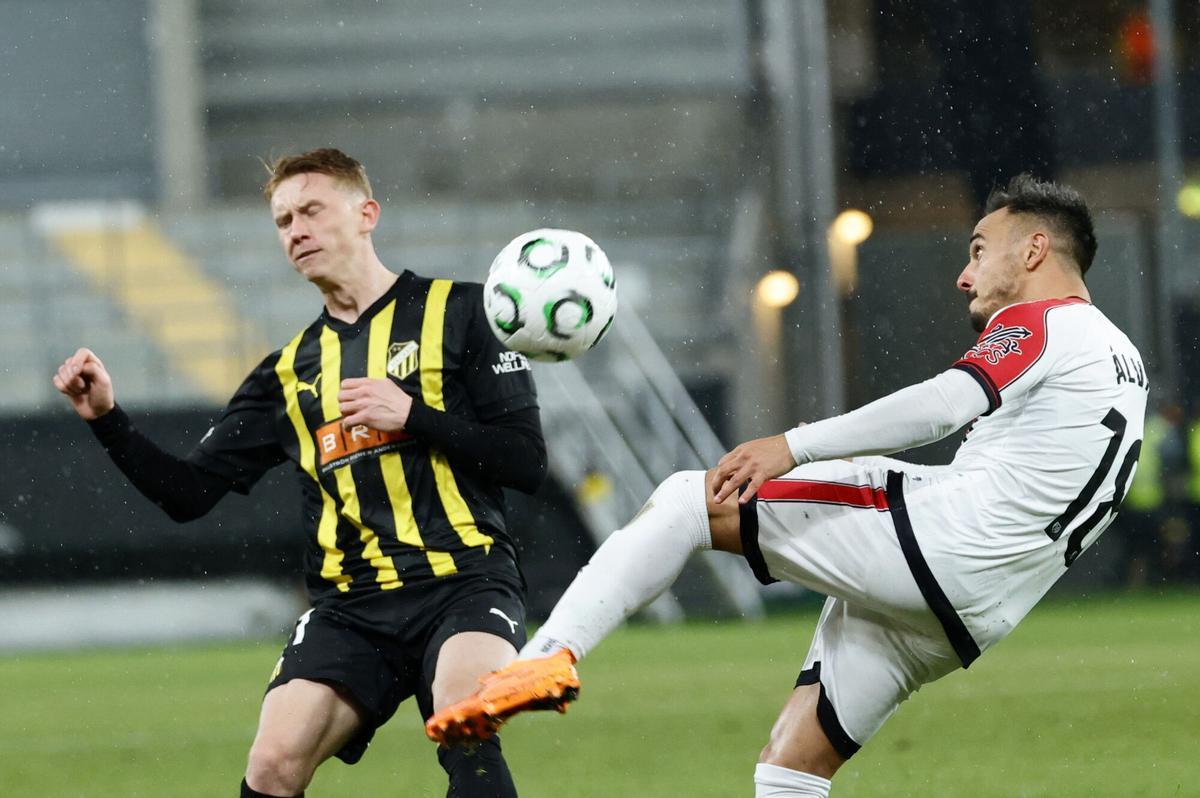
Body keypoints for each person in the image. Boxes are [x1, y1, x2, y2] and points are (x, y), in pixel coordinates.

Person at [425, 174, 1149, 797]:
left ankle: (549, 655)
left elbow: (943, 405)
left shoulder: (1043, 321)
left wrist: (790, 445)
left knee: (689, 500)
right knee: (791, 770)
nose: (965, 275)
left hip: (943, 543)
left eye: (979, 250)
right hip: (980, 609)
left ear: (1033, 250)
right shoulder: (1124, 359)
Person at [53, 148, 546, 798]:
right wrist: (108, 419)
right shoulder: (288, 372)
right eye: (283, 220)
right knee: (273, 765)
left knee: (466, 723)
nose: (296, 231)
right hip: (353, 607)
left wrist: (413, 415)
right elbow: (187, 495)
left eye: (311, 210)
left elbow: (526, 461)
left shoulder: (463, 314)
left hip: (466, 581)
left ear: (367, 214)